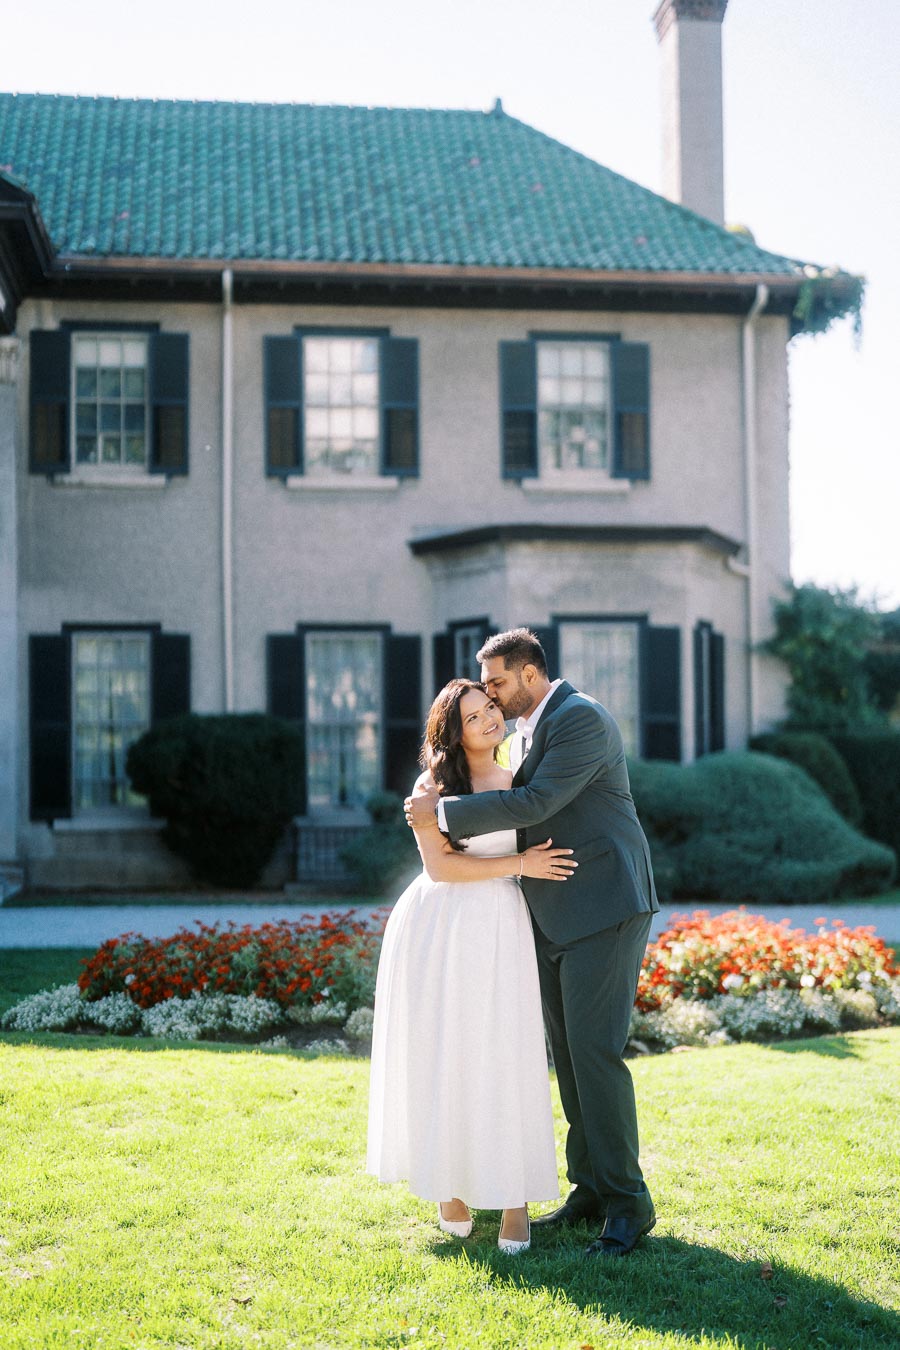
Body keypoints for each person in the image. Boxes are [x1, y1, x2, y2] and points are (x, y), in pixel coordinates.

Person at [405, 629, 659, 1258]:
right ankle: (591, 1189)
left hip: (603, 908)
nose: (489, 696)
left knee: (596, 1058)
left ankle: (629, 1206)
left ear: (530, 674)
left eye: (495, 683)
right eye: (483, 689)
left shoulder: (579, 719)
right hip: (552, 916)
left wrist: (439, 816)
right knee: (571, 1061)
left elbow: (538, 800)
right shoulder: (527, 732)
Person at [367, 678, 578, 1254]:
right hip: (438, 927)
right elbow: (440, 869)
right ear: (451, 733)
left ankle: (516, 1200)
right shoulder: (430, 789)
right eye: (473, 715)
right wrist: (519, 863)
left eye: (490, 707)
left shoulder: (520, 779)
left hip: (501, 927)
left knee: (506, 1054)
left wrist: (526, 868)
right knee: (445, 1053)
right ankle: (449, 1190)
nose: (488, 718)